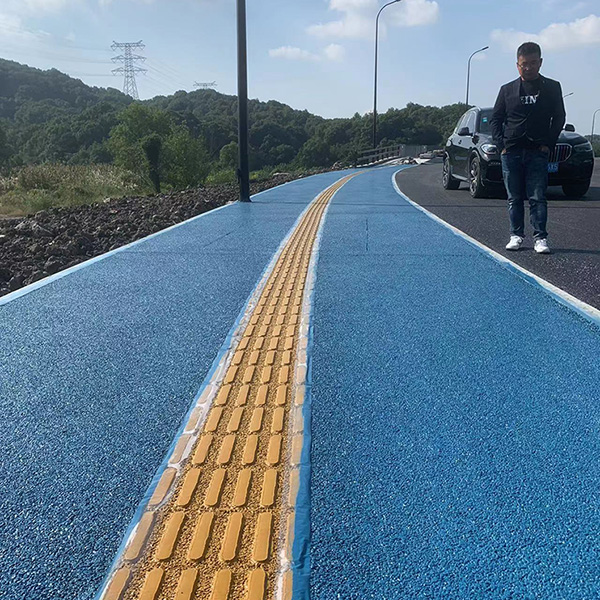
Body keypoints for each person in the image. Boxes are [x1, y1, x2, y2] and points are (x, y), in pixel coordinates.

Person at [491, 42, 566, 254]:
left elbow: (559, 117)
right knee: (514, 198)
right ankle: (516, 235)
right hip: (511, 151)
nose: (528, 68)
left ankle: (540, 238)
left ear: (540, 62)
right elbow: (496, 119)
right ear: (517, 65)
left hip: (537, 151)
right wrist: (501, 145)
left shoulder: (552, 87)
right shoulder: (506, 90)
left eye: (533, 63)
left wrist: (548, 144)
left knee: (537, 197)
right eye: (524, 64)